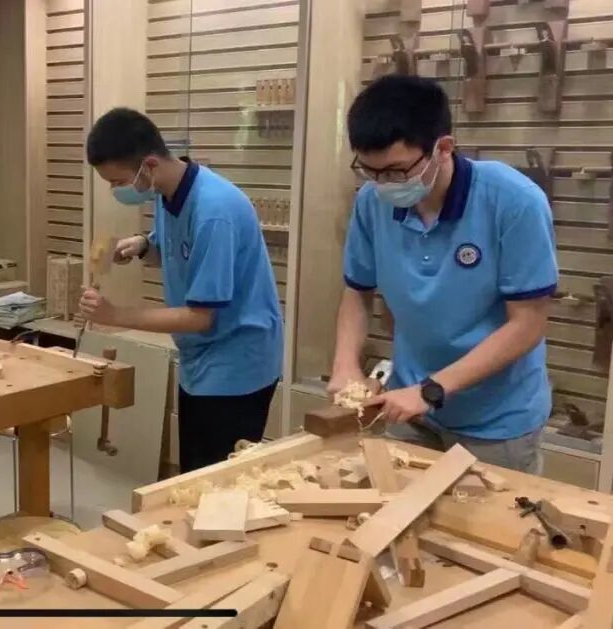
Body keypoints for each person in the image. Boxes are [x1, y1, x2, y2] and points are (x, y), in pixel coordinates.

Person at [328, 74, 557, 473]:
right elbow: (357, 293)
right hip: (410, 406)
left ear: (443, 148)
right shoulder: (371, 202)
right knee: (394, 503)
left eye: (397, 172)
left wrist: (432, 390)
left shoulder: (515, 201)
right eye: (369, 171)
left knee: (486, 513)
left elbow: (528, 325)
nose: (383, 184)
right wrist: (346, 365)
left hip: (496, 421)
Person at [79, 107, 283, 472]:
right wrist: (144, 245)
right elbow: (178, 250)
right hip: (201, 359)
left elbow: (199, 317)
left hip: (236, 363)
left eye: (118, 181)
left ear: (149, 165)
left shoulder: (214, 210)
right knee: (194, 472)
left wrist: (116, 316)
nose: (115, 191)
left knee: (216, 483)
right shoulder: (167, 192)